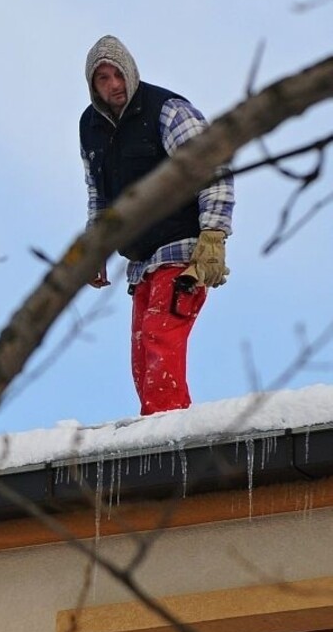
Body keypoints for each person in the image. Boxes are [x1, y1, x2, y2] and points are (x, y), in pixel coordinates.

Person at [79, 35, 235, 416]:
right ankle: (160, 426)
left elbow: (212, 165)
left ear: (130, 73)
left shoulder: (167, 111)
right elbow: (98, 194)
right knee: (141, 354)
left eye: (118, 75)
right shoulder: (91, 127)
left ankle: (166, 437)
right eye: (103, 78)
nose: (113, 85)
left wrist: (213, 235)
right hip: (140, 259)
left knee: (159, 337)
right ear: (93, 84)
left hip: (182, 248)